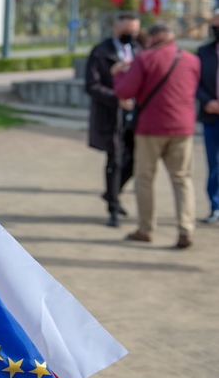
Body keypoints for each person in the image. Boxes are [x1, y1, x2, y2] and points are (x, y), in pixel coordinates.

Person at [113, 22, 201, 248]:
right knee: (182, 180)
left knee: (144, 180)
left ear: (151, 38)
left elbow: (125, 91)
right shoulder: (192, 60)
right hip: (182, 127)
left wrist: (119, 74)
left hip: (150, 128)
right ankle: (186, 229)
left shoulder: (145, 58)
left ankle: (146, 229)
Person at [85, 14, 142, 227]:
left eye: (134, 31)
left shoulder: (139, 50)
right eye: (126, 31)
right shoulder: (101, 52)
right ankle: (113, 209)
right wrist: (116, 99)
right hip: (111, 115)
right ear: (116, 28)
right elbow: (92, 85)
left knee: (135, 158)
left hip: (135, 116)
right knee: (115, 160)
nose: (131, 35)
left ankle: (112, 193)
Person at [196, 12, 219, 224]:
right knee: (215, 163)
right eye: (215, 24)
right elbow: (195, 81)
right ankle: (215, 206)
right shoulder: (204, 52)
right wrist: (207, 101)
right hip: (211, 116)